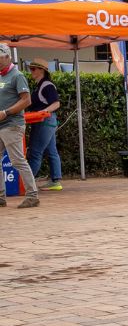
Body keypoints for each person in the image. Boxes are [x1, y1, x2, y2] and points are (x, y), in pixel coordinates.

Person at [0, 43, 38, 208]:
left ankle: (32, 196)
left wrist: (6, 112)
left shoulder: (17, 75)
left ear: (8, 57)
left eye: (0, 58)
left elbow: (26, 100)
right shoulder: (1, 76)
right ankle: (1, 197)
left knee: (17, 161)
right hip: (2, 125)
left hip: (12, 125)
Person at [26, 59, 62, 192]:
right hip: (47, 121)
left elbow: (56, 103)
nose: (31, 71)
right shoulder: (41, 85)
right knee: (51, 151)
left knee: (35, 152)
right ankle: (55, 181)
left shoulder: (46, 85)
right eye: (30, 69)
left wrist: (43, 112)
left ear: (42, 70)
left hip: (44, 121)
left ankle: (26, 184)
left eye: (33, 69)